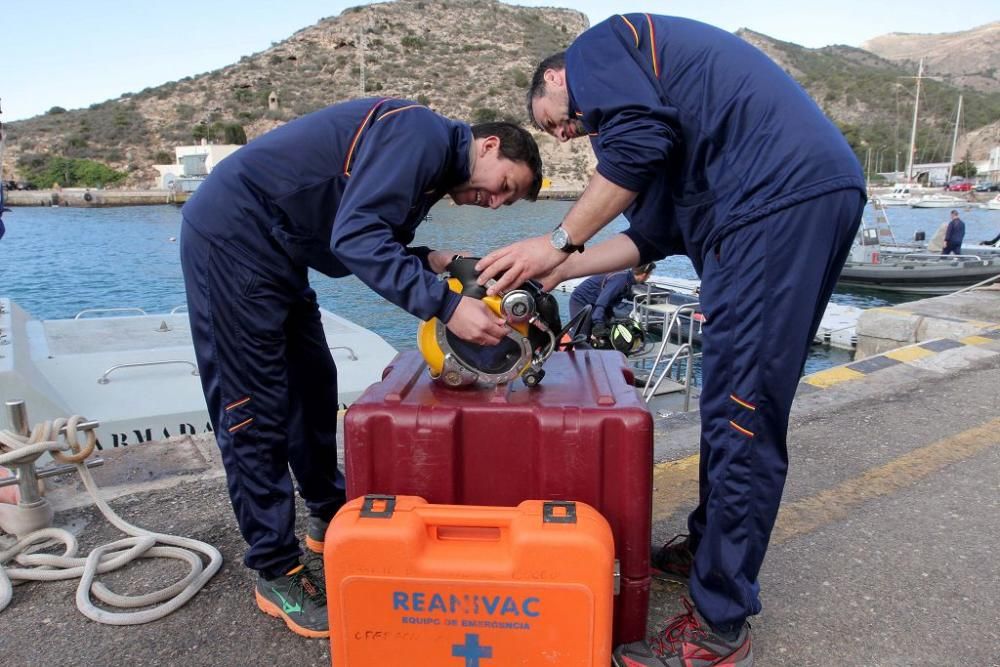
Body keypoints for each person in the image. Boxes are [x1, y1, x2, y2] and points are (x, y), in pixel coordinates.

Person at [475, 15, 866, 666]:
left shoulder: (597, 50)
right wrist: (563, 266)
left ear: (554, 77)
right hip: (782, 201)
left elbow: (636, 145)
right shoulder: (650, 116)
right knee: (732, 401)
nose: (565, 132)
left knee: (743, 415)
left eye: (552, 120)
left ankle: (719, 624)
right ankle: (711, 547)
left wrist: (554, 238)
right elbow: (651, 236)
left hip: (774, 202)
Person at [179, 98, 542, 639]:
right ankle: (275, 567)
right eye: (504, 186)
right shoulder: (421, 135)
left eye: (504, 203)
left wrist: (432, 260)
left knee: (313, 385)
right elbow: (355, 239)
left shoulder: (428, 170)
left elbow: (356, 237)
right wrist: (446, 306)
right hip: (233, 239)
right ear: (489, 145)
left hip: (279, 252)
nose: (493, 204)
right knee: (252, 408)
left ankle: (328, 510)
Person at [569, 262, 655, 340]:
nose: (649, 277)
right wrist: (598, 323)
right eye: (649, 275)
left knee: (609, 328)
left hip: (595, 301)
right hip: (581, 300)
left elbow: (613, 299)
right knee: (582, 334)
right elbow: (602, 302)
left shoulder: (628, 280)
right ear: (644, 275)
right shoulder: (620, 281)